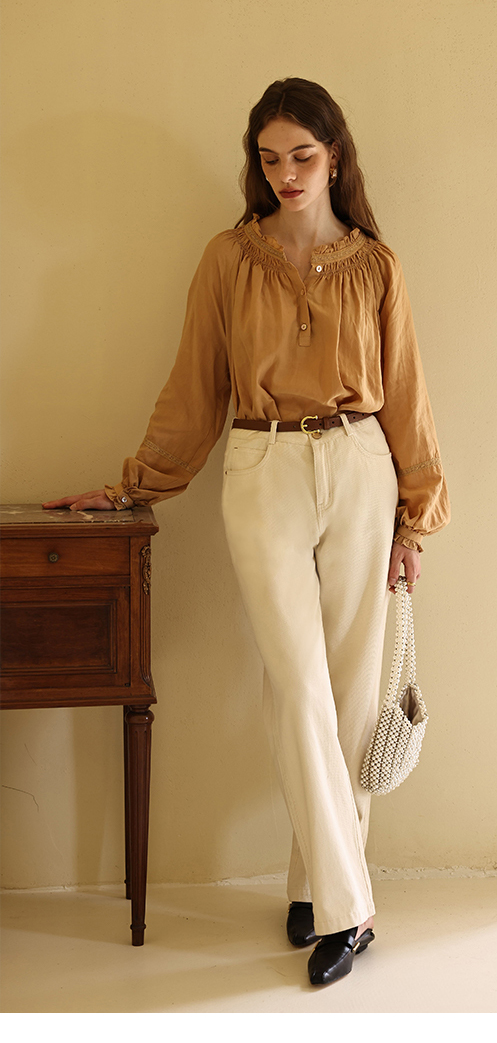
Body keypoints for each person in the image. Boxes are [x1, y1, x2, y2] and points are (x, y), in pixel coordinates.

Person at [44, 77, 450, 986]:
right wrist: (133, 486)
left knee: (350, 697)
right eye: (269, 160)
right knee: (297, 684)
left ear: (334, 156)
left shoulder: (377, 265)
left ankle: (316, 887)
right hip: (262, 467)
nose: (286, 174)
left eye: (302, 156)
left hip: (361, 466)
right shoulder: (228, 259)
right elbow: (194, 388)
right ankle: (351, 907)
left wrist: (414, 517)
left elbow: (408, 396)